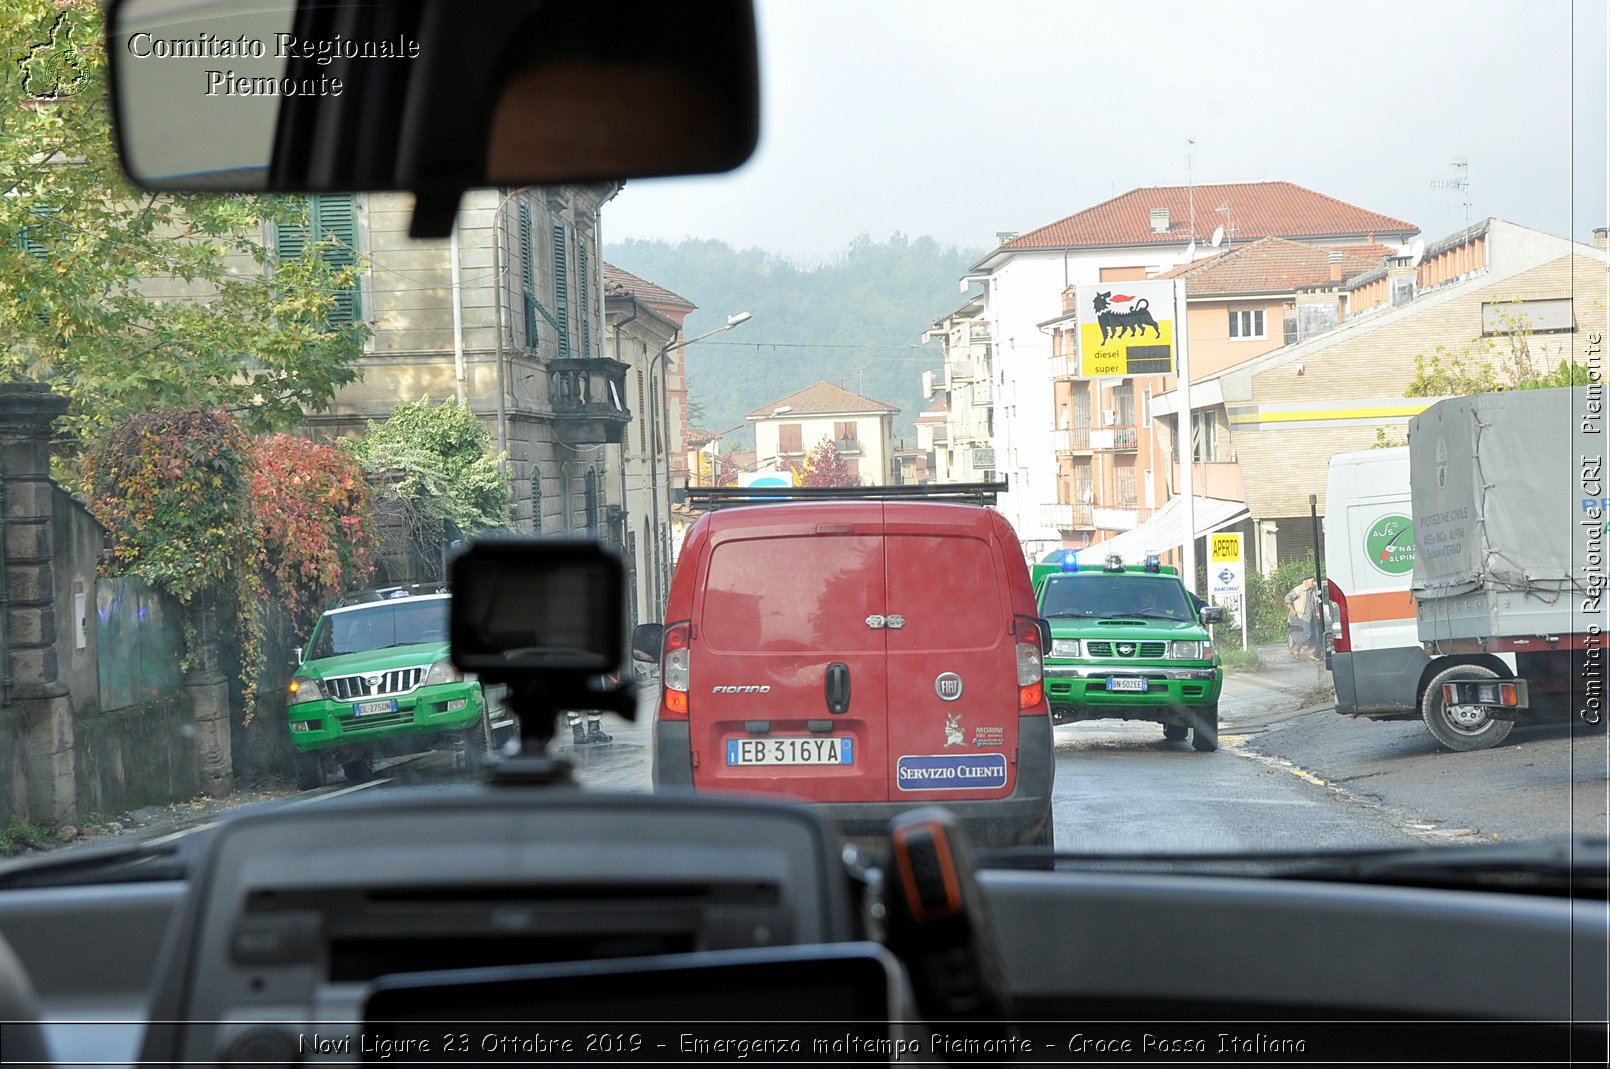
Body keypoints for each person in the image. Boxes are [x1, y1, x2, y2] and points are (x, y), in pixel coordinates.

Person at [1285, 576, 1320, 660]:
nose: (1313, 582)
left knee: (1316, 635)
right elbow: (1287, 598)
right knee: (1307, 634)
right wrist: (1293, 610)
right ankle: (1296, 650)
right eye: (1312, 581)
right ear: (1306, 582)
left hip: (1313, 615)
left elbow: (1316, 601)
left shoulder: (1313, 589)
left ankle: (1311, 654)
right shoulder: (1299, 589)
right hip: (1303, 616)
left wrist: (1317, 611)